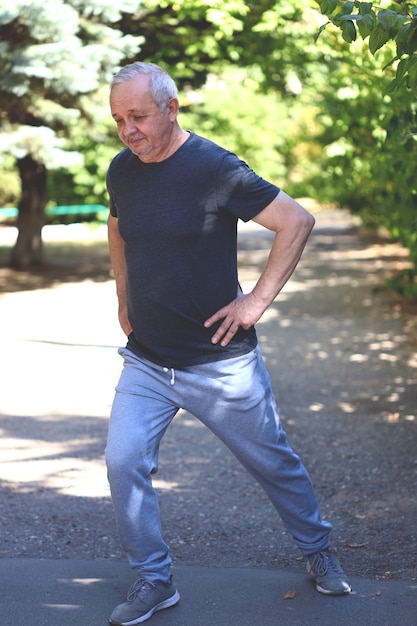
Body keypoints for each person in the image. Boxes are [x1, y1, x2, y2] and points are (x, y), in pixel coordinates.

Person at [105, 61, 351, 626]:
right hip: (146, 360)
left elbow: (296, 221)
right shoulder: (123, 169)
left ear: (171, 108)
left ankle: (318, 549)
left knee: (274, 463)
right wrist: (123, 298)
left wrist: (255, 302)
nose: (128, 130)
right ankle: (154, 580)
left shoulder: (215, 168)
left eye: (138, 116)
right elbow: (117, 229)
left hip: (220, 363)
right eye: (119, 119)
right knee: (123, 462)